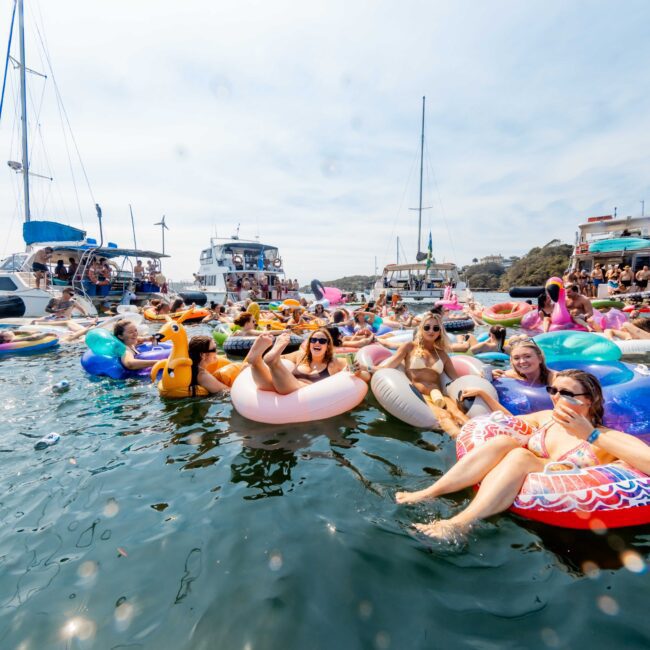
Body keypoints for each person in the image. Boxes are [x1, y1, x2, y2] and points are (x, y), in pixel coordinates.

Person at [395, 370, 650, 539]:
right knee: (504, 441)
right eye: (553, 391)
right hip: (526, 488)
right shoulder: (547, 419)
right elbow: (507, 420)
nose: (556, 398)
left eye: (566, 393)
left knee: (521, 456)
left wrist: (590, 434)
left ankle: (460, 523)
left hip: (565, 509)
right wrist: (484, 395)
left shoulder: (604, 438)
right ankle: (429, 493)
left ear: (590, 400)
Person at [374, 313, 469, 436]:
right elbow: (386, 367)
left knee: (458, 414)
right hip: (420, 396)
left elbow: (456, 378)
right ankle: (465, 445)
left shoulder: (442, 354)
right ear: (421, 328)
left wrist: (480, 378)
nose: (431, 331)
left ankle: (481, 439)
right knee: (444, 416)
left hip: (439, 394)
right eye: (427, 327)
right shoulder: (409, 347)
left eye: (436, 328)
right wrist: (366, 368)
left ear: (440, 332)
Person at [246, 328, 368, 394]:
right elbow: (283, 359)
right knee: (269, 385)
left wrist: (357, 372)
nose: (317, 343)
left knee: (294, 385)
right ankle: (256, 361)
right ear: (309, 344)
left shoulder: (335, 362)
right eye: (313, 340)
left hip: (305, 393)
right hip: (286, 387)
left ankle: (268, 361)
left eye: (322, 341)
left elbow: (366, 375)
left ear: (328, 346)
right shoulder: (299, 355)